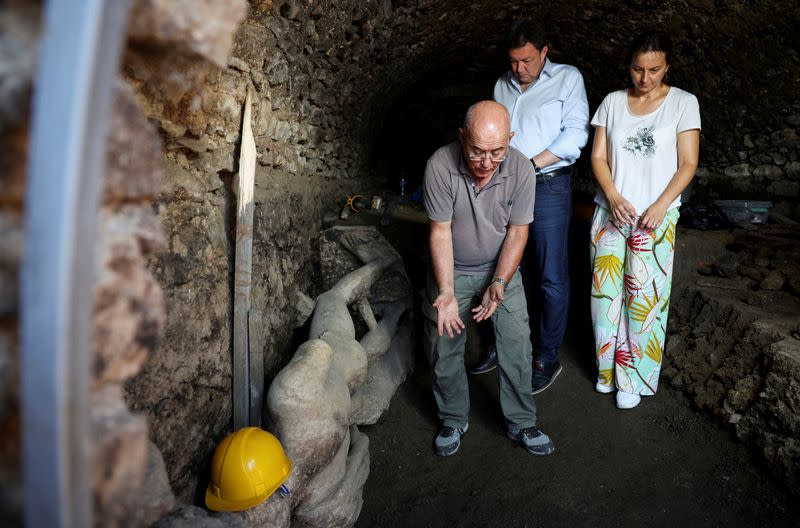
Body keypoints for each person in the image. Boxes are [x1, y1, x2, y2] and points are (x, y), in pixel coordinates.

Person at [422, 101, 554, 457]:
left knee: (516, 344)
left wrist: (500, 282)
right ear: (461, 137)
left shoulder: (522, 170)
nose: (485, 163)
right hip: (453, 269)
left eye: (497, 153)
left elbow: (517, 232)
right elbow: (440, 232)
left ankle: (522, 421)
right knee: (443, 346)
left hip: (499, 270)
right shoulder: (439, 165)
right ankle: (452, 417)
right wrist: (446, 291)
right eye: (477, 151)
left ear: (510, 140)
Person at [472, 20, 589, 395]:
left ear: (544, 51)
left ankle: (547, 356)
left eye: (526, 60)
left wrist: (530, 165)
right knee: (502, 266)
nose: (519, 69)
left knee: (551, 275)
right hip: (504, 186)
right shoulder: (500, 86)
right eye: (513, 61)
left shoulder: (568, 79)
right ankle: (501, 343)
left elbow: (575, 135)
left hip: (549, 185)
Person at [589, 30, 700, 409]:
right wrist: (613, 196)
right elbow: (598, 157)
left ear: (667, 65)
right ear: (629, 66)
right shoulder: (612, 102)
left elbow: (688, 163)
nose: (645, 78)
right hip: (611, 212)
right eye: (638, 69)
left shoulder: (684, 103)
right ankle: (607, 371)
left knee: (644, 300)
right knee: (604, 299)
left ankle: (633, 379)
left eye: (654, 70)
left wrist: (661, 204)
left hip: (656, 217)